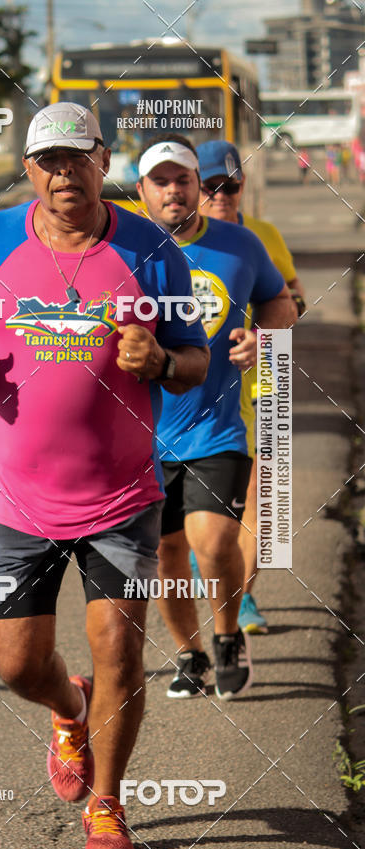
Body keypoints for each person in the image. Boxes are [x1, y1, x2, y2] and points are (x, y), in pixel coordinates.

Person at [0, 104, 209, 849]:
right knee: (20, 665)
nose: (64, 174)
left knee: (119, 645)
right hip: (14, 497)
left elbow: (195, 360)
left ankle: (109, 805)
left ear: (103, 159)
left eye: (77, 158)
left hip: (121, 494)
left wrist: (158, 363)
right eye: (48, 161)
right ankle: (68, 707)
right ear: (29, 169)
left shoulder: (152, 251)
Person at [136, 135, 297, 701]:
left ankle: (227, 634)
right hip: (142, 436)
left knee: (214, 541)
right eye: (162, 181)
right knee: (164, 553)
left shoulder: (241, 245)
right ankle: (190, 652)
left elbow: (280, 300)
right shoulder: (123, 249)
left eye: (186, 180)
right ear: (143, 192)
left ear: (197, 188)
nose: (176, 191)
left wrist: (263, 338)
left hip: (216, 426)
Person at [196, 139, 305, 634]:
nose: (221, 195)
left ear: (242, 188)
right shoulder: (168, 244)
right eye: (210, 186)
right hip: (195, 393)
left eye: (231, 186)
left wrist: (261, 338)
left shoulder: (261, 236)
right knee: (201, 512)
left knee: (263, 503)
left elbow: (292, 299)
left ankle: (240, 603)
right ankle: (218, 573)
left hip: (265, 387)